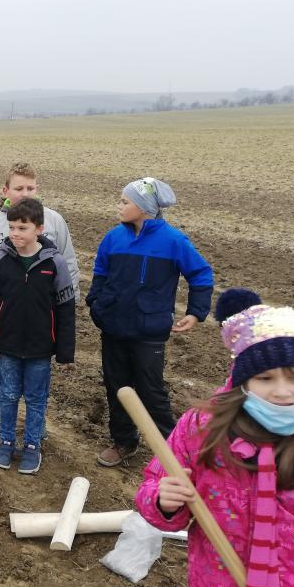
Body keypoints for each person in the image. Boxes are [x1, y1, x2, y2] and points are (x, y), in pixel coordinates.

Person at [136, 304, 294, 587]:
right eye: (266, 378)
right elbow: (155, 484)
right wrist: (165, 501)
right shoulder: (205, 430)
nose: (282, 392)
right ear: (243, 381)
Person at [86, 177, 213, 467]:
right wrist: (97, 303)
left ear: (144, 208)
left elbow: (201, 275)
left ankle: (172, 450)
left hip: (148, 332)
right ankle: (124, 442)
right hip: (114, 328)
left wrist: (195, 312)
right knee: (117, 387)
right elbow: (100, 272)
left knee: (151, 390)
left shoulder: (173, 241)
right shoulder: (113, 238)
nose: (119, 206)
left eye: (125, 201)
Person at [0, 162, 79, 436]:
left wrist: (68, 305)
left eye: (30, 187)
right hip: (9, 316)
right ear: (6, 190)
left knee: (38, 374)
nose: (25, 193)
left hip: (43, 315)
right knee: (7, 371)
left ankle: (36, 424)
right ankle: (4, 418)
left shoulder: (54, 221)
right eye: (19, 188)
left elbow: (69, 264)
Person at [0, 198, 76, 473]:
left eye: (22, 227)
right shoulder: (0, 260)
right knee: (7, 396)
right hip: (8, 347)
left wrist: (65, 352)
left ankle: (32, 446)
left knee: (35, 399)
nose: (15, 233)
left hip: (40, 349)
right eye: (11, 227)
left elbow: (66, 309)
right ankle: (6, 442)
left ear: (39, 229)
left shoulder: (54, 263)